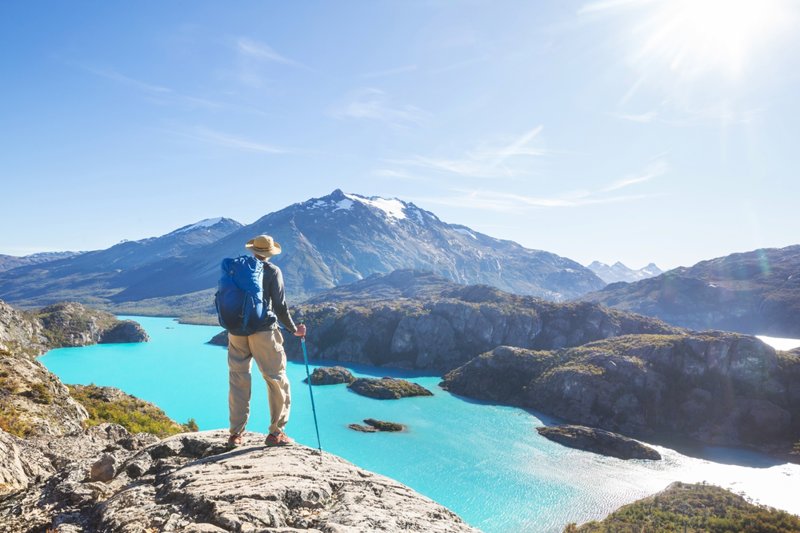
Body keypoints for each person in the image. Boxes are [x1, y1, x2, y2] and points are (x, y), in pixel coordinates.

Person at [227, 234, 306, 448]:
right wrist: (294, 330)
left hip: (236, 331)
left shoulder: (236, 268)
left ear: (253, 250)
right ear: (270, 252)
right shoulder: (272, 271)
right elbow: (280, 307)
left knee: (238, 380)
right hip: (263, 332)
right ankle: (276, 433)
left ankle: (235, 435)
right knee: (276, 379)